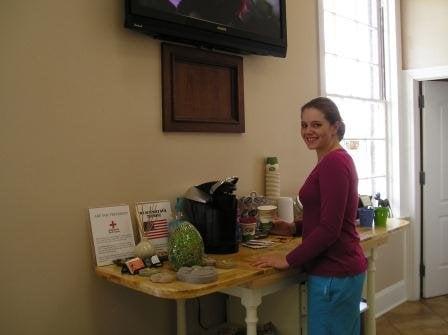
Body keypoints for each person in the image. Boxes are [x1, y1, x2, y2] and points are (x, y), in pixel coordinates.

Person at [253, 97, 368, 335]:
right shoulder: (334, 160)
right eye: (304, 125)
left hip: (334, 273)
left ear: (334, 127)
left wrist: (288, 259)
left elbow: (330, 229)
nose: (308, 131)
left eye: (316, 125)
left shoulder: (333, 163)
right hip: (341, 271)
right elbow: (331, 217)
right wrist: (294, 228)